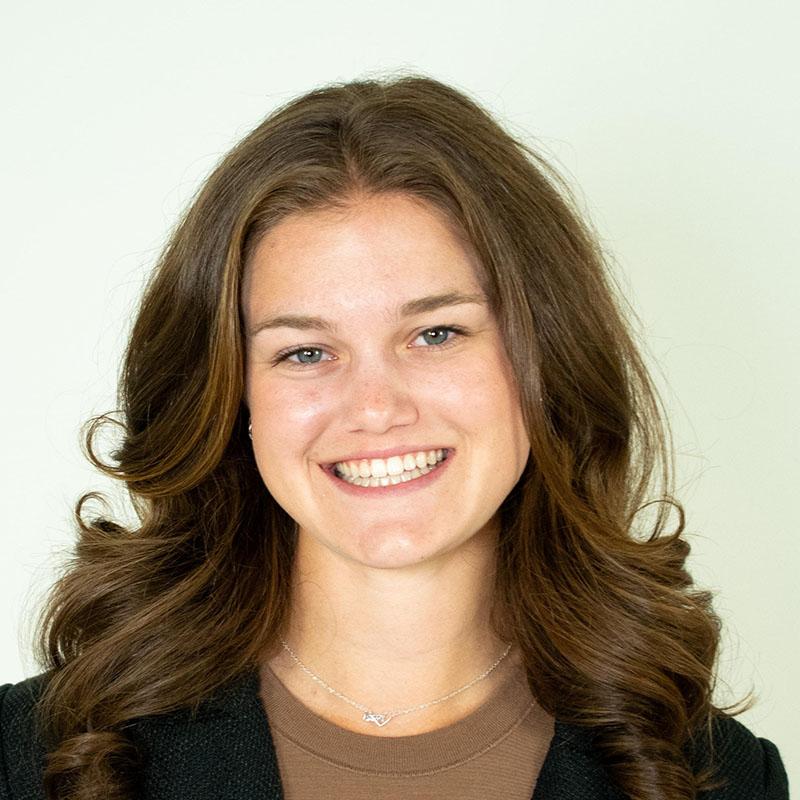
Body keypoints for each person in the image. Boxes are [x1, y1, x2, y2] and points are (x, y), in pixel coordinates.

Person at [0, 75, 788, 800]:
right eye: (305, 352)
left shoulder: (720, 778)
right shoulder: (29, 761)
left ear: (543, 358)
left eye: (437, 334)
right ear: (232, 395)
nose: (375, 408)